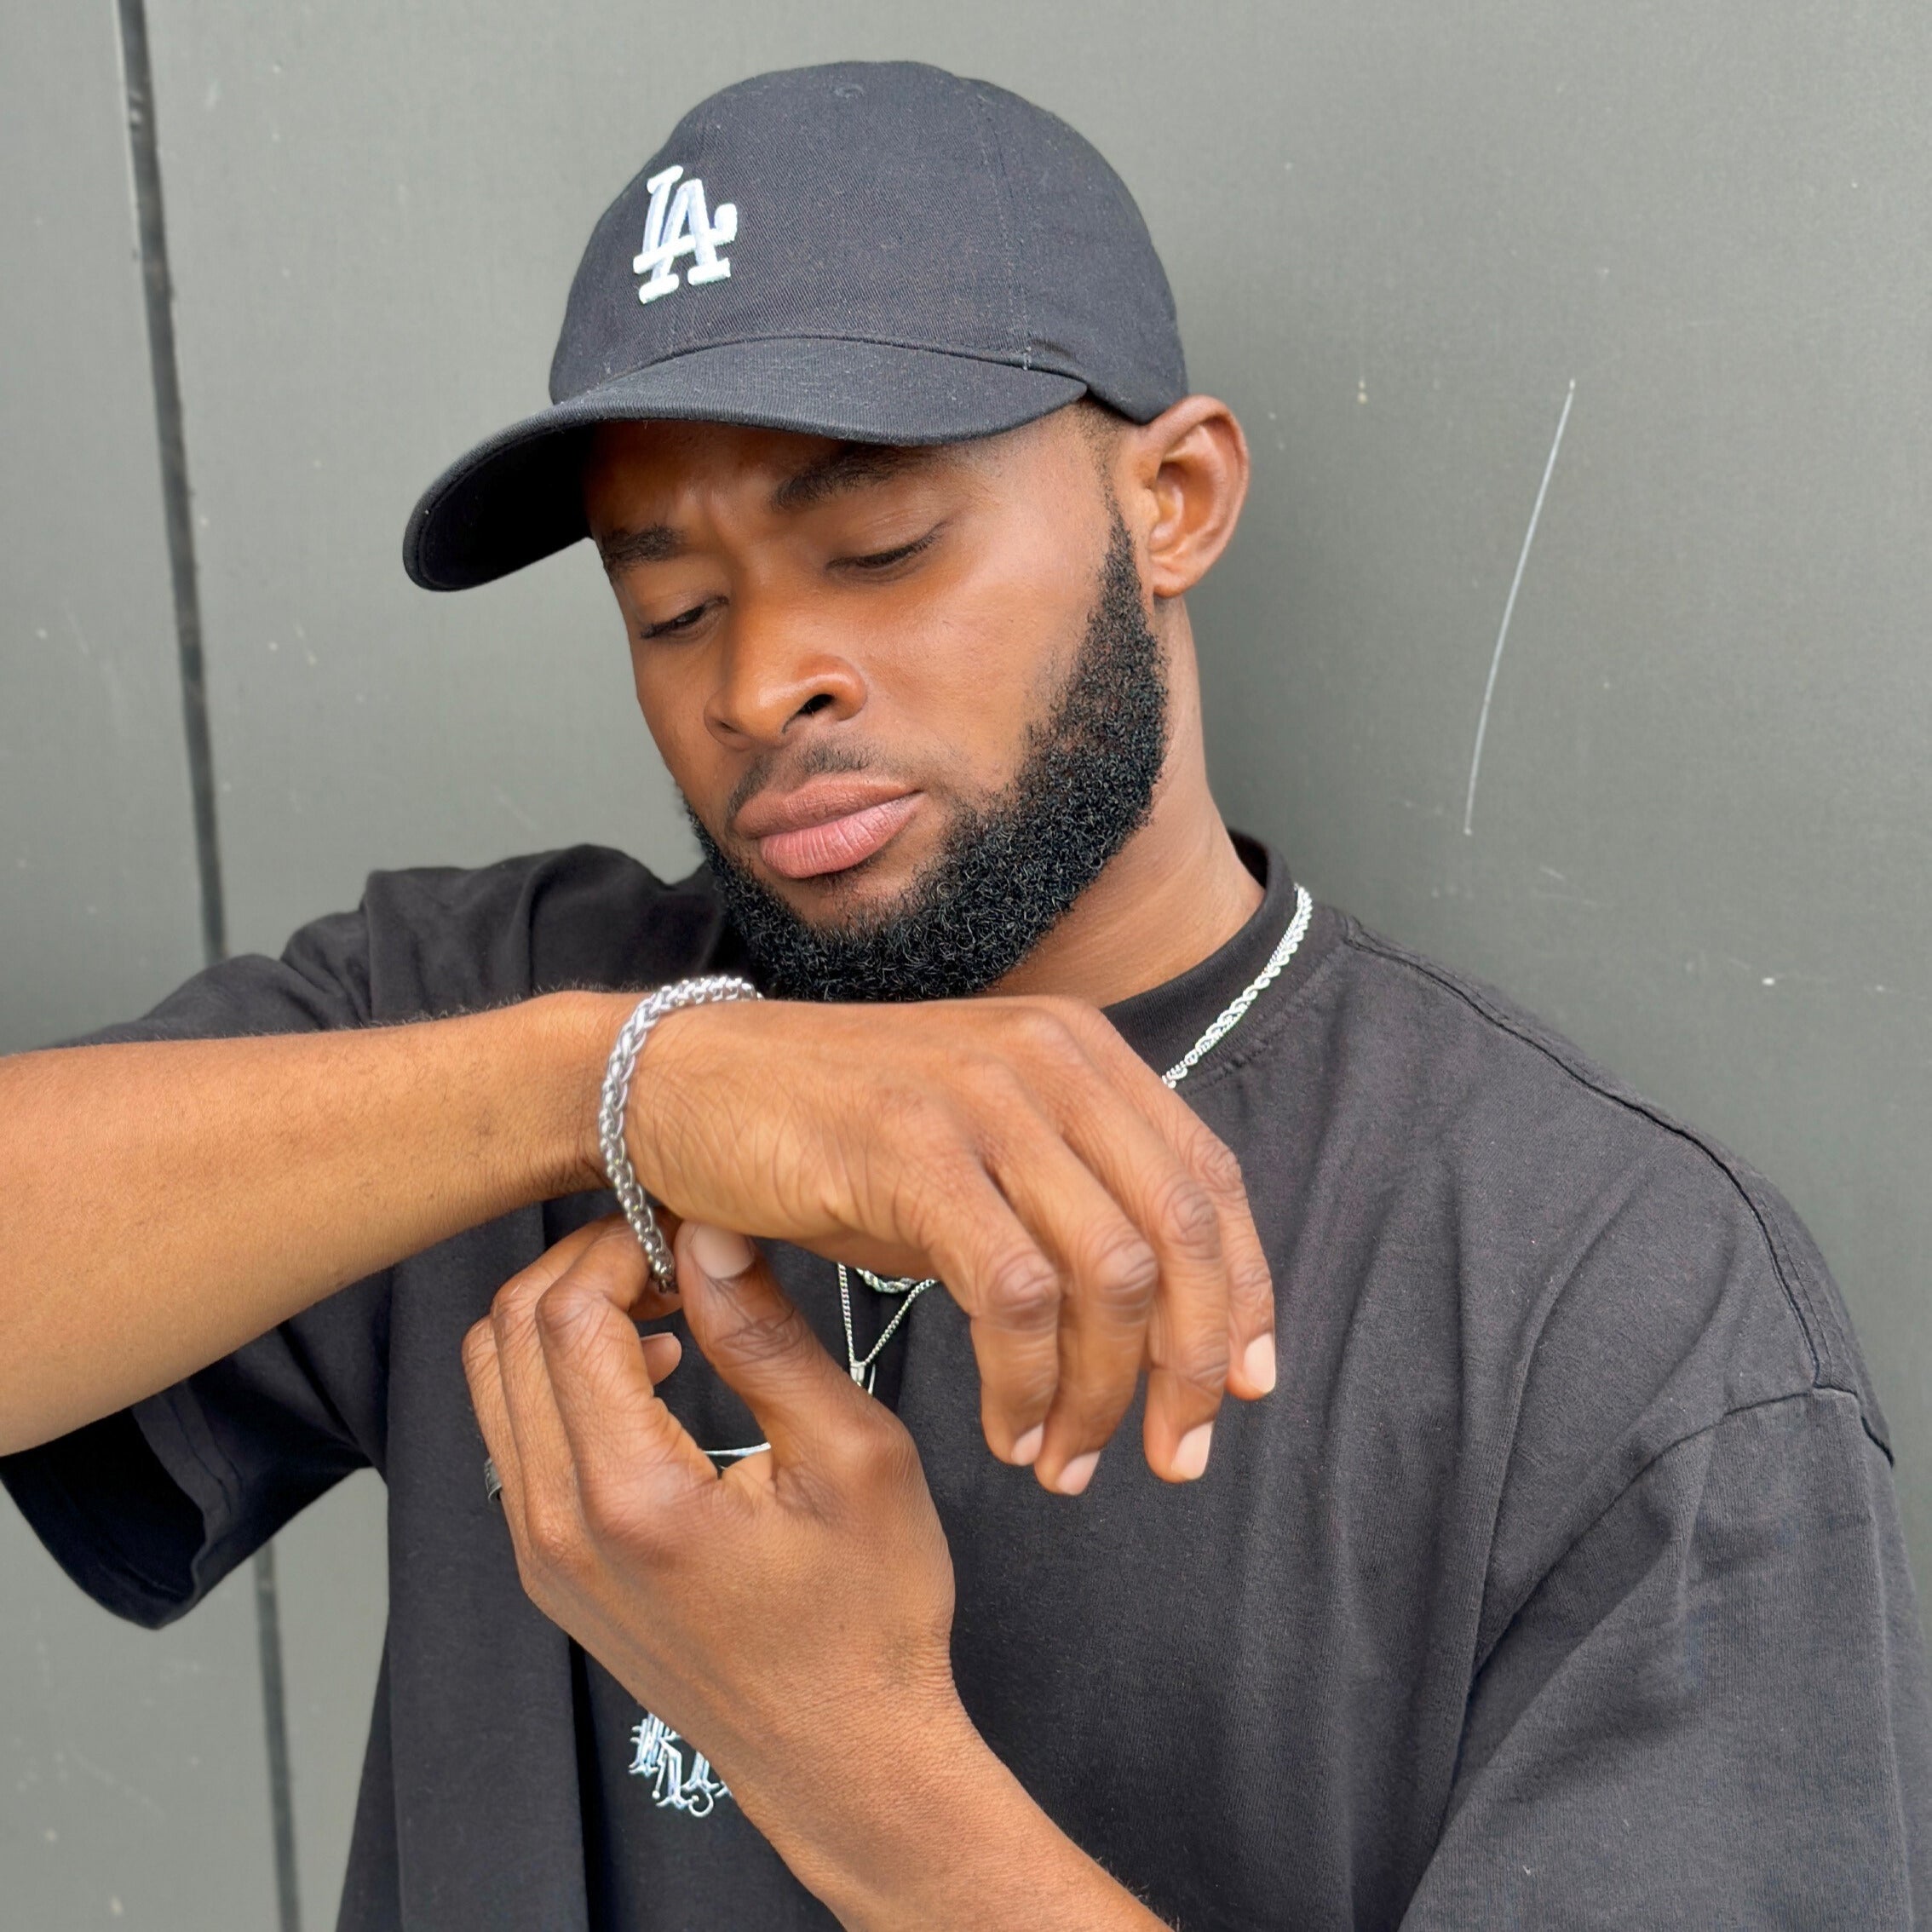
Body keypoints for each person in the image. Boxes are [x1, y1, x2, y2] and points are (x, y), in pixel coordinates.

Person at [3, 58, 1925, 1931]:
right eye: (667, 601)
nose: (762, 680)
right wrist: (623, 1085)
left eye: (876, 541)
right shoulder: (501, 1006)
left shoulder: (1608, 1304)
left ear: (1173, 497)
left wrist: (849, 1765)